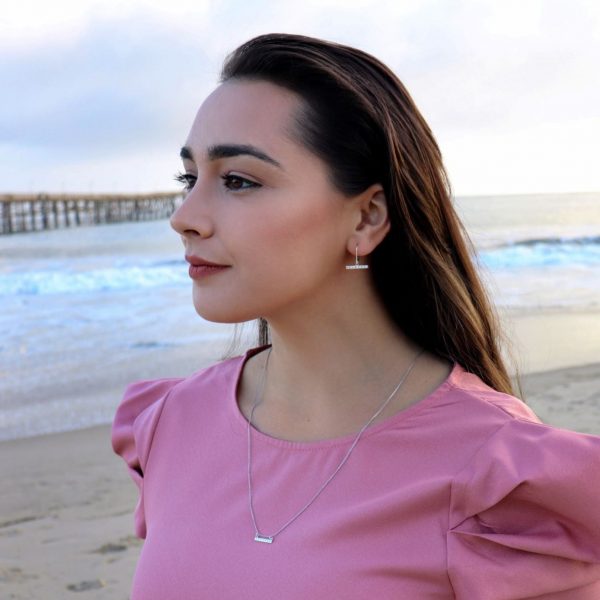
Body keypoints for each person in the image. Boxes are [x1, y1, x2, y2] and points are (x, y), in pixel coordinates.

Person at [111, 33, 600, 599]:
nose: (184, 217)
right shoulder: (170, 425)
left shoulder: (493, 480)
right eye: (189, 179)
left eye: (239, 180)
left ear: (366, 217)